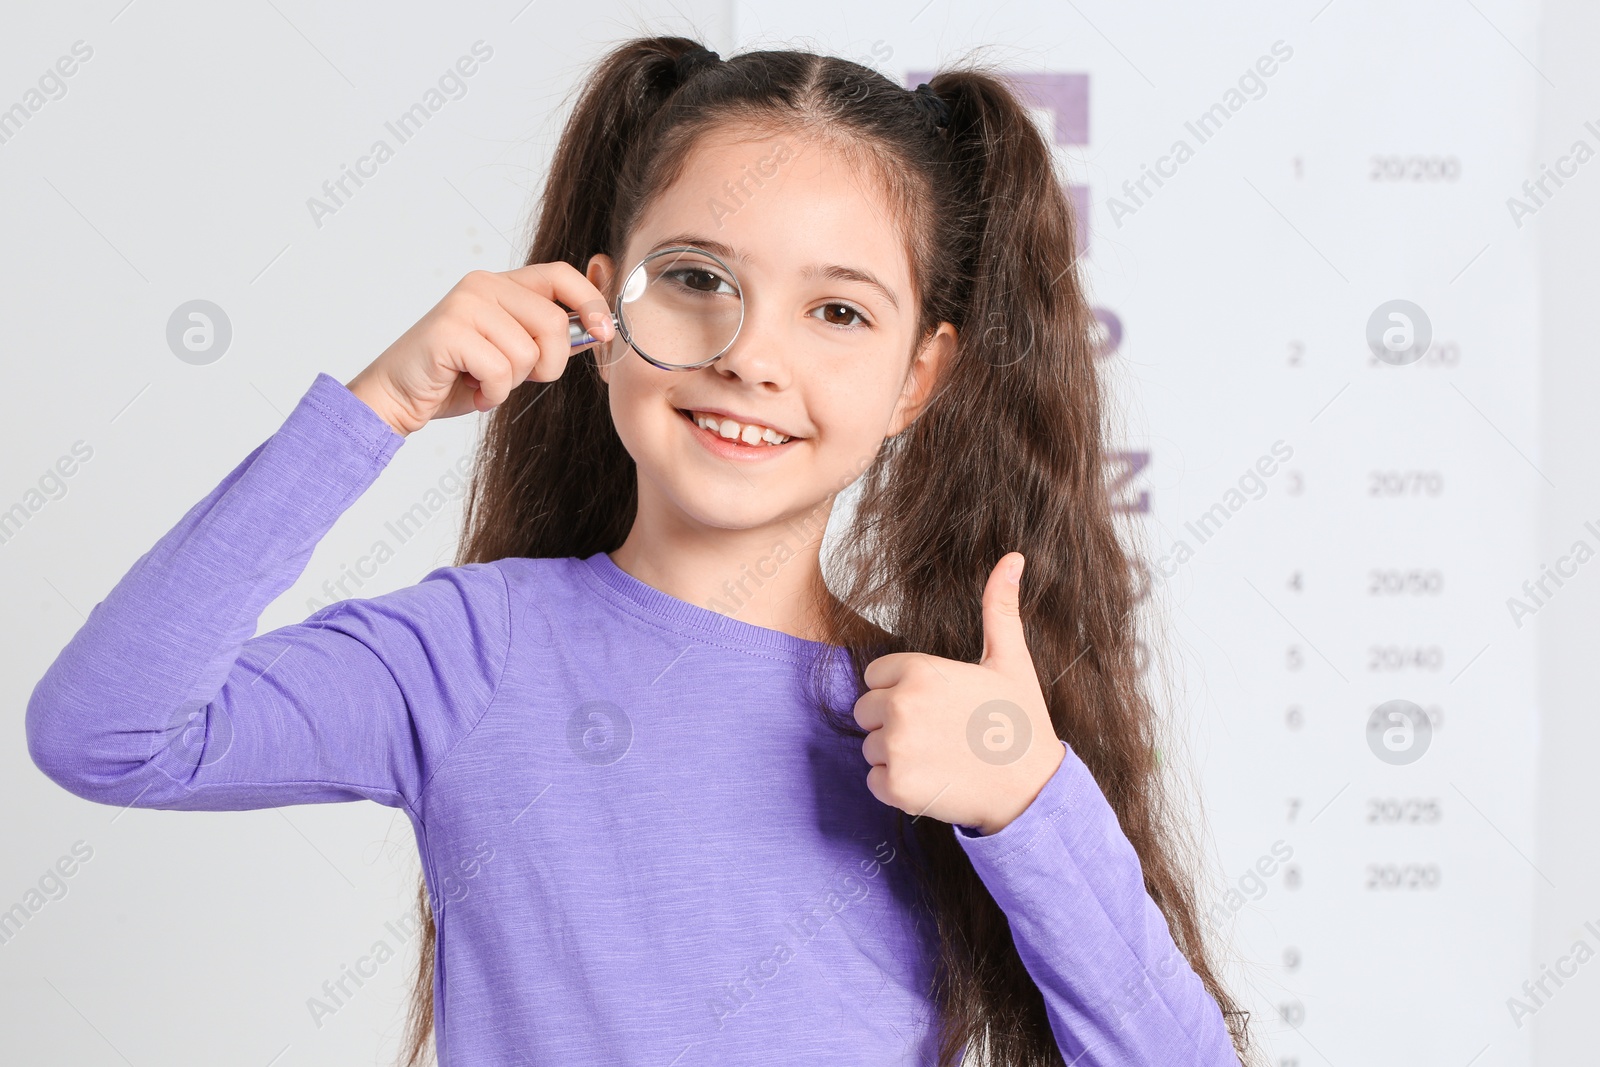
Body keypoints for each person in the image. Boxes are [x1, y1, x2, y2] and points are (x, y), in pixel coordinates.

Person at [27, 35, 1253, 1067]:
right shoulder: (469, 652)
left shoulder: (935, 723)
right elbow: (108, 733)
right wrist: (372, 411)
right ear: (601, 316)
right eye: (696, 278)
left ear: (916, 377)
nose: (750, 354)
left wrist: (1028, 799)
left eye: (837, 310)